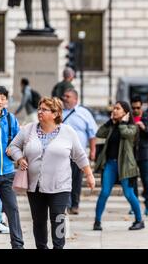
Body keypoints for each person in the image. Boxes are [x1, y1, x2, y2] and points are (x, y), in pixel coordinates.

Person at [9, 97, 96, 249]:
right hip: (35, 186)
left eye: (44, 109)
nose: (40, 112)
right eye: (39, 108)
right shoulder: (29, 129)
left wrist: (89, 174)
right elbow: (13, 147)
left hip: (60, 186)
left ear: (56, 113)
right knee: (39, 221)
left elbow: (80, 155)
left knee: (58, 219)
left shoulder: (67, 131)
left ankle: (58, 246)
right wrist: (19, 158)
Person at [93, 101, 144, 231]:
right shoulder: (111, 126)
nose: (114, 110)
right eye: (114, 108)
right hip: (110, 164)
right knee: (104, 192)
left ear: (125, 112)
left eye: (117, 109)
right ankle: (97, 221)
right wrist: (110, 122)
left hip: (125, 165)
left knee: (129, 193)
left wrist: (122, 122)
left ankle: (139, 220)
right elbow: (99, 133)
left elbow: (126, 134)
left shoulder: (132, 127)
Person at [0, 85, 24, 249]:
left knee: (13, 210)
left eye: (3, 98)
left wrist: (19, 155)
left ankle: (18, 245)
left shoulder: (10, 119)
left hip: (8, 174)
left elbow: (19, 141)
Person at [62, 89, 98, 215]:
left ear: (75, 99)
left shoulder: (84, 113)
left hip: (78, 154)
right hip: (62, 154)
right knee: (63, 180)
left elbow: (92, 134)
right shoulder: (59, 113)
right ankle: (66, 204)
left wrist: (93, 150)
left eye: (68, 96)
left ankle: (75, 205)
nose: (65, 98)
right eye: (64, 96)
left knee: (76, 180)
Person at [131, 97, 148, 216]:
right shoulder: (129, 118)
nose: (135, 110)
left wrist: (144, 128)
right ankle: (134, 206)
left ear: (142, 106)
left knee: (146, 181)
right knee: (133, 182)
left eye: (138, 107)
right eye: (133, 108)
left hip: (144, 153)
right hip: (131, 154)